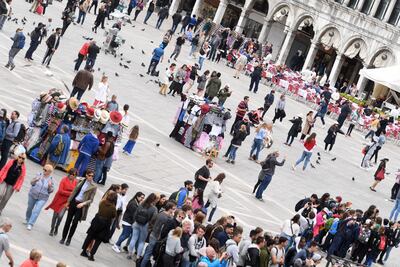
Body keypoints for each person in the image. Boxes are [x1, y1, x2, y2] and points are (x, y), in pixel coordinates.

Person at [60, 170, 97, 246]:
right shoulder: (81, 181)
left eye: (92, 176)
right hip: (74, 202)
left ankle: (69, 239)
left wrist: (83, 203)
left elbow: (91, 200)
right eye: (90, 175)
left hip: (81, 206)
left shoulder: (94, 186)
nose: (91, 177)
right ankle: (63, 238)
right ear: (86, 175)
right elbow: (74, 192)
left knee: (75, 222)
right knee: (68, 221)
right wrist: (68, 202)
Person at [81, 190, 117, 261]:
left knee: (89, 237)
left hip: (96, 221)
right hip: (105, 224)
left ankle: (83, 251)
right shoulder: (113, 207)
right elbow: (114, 215)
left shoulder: (102, 202)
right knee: (98, 241)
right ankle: (91, 255)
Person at [140, 201, 177, 267]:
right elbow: (162, 230)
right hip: (156, 237)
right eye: (174, 208)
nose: (175, 210)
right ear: (170, 209)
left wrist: (151, 229)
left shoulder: (161, 213)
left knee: (148, 252)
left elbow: (152, 221)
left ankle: (141, 263)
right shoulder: (167, 218)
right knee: (149, 254)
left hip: (153, 234)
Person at [46, 168, 78, 236]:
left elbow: (75, 192)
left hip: (66, 201)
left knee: (60, 216)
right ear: (69, 174)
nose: (73, 176)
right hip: (59, 199)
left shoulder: (76, 182)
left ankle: (57, 227)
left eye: (75, 175)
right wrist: (71, 193)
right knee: (55, 215)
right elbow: (60, 191)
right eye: (72, 174)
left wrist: (71, 194)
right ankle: (52, 229)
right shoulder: (64, 180)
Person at [127, 193, 158, 261]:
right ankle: (138, 256)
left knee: (133, 238)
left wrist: (135, 221)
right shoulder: (154, 209)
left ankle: (129, 254)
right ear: (154, 200)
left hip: (137, 223)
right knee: (141, 242)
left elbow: (135, 213)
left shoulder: (142, 204)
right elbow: (154, 219)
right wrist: (150, 227)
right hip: (145, 225)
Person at [25, 165, 54, 230]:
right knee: (29, 208)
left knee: (36, 210)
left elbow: (51, 191)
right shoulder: (39, 174)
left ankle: (30, 224)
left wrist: (49, 186)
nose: (43, 171)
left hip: (42, 198)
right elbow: (32, 183)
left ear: (49, 172)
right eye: (43, 169)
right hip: (33, 194)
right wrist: (35, 180)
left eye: (45, 170)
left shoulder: (51, 180)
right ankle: (27, 219)